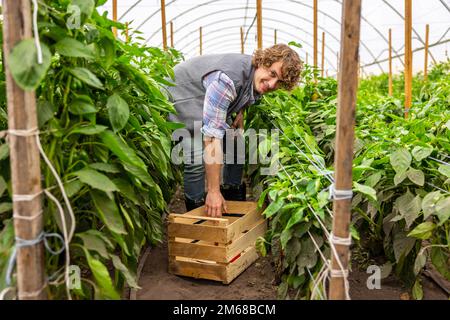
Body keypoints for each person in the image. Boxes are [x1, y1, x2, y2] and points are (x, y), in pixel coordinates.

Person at [166, 44, 302, 217]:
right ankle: (197, 217)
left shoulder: (255, 74)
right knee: (196, 157)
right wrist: (213, 191)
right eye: (272, 74)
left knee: (235, 141)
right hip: (181, 94)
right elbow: (212, 139)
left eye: (280, 82)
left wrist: (240, 110)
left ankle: (231, 203)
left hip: (207, 97)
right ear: (263, 62)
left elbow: (246, 90)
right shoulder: (227, 80)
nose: (272, 84)